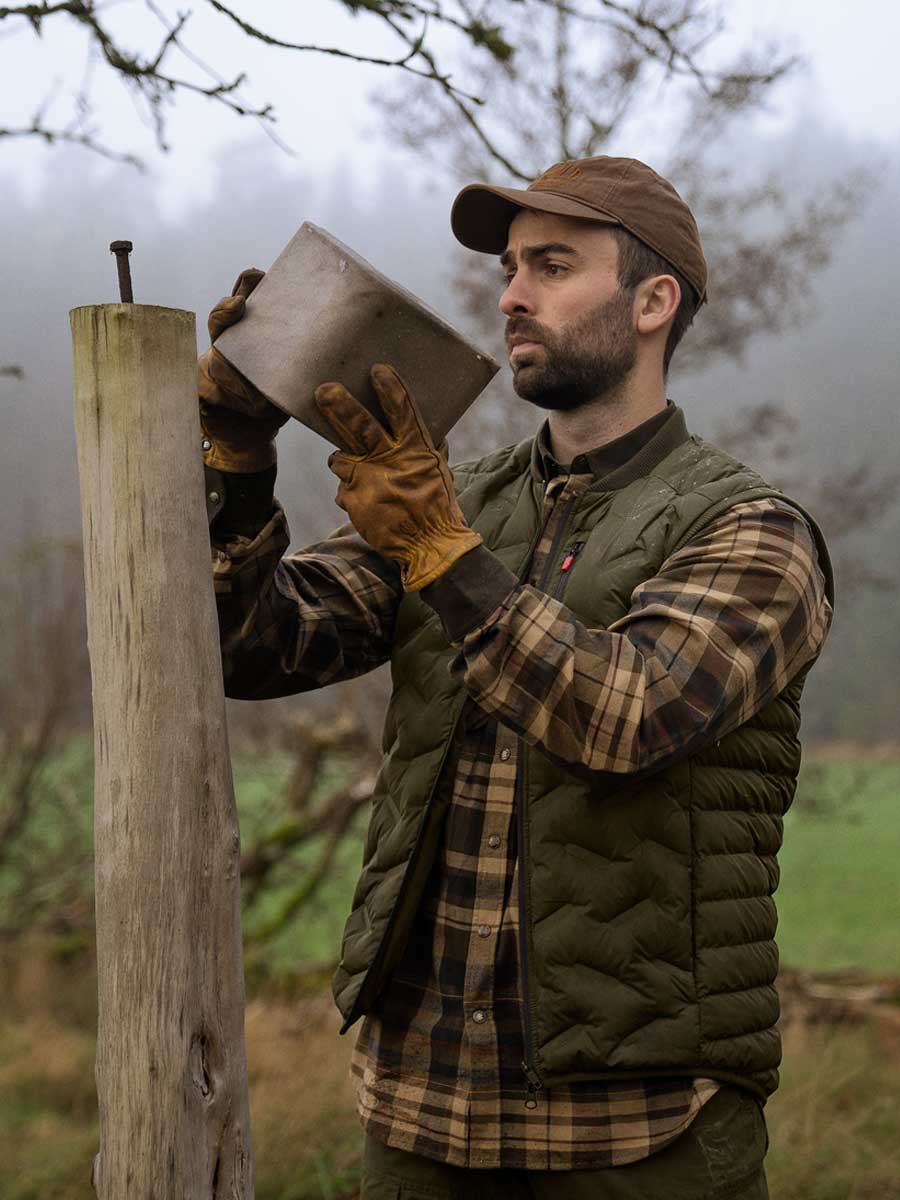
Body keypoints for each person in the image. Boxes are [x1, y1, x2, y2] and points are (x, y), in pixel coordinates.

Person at [199, 156, 833, 1198]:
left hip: (640, 1133)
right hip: (418, 1114)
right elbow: (253, 646)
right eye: (508, 269)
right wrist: (234, 451)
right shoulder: (452, 501)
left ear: (652, 302)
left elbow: (628, 713)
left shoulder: (753, 532)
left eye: (552, 265)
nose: (512, 296)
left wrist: (440, 550)